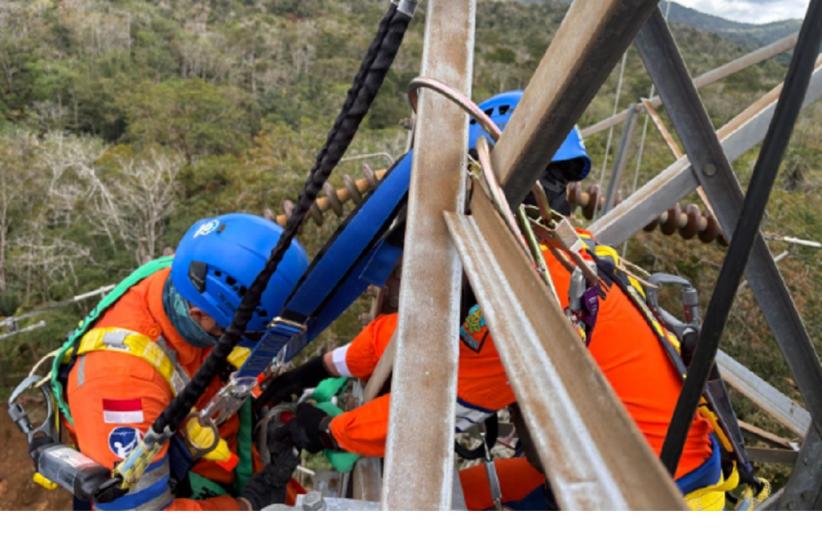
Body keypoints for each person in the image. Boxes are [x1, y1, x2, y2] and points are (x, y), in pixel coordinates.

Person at [263, 90, 722, 510]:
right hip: (634, 457)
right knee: (474, 491)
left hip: (650, 494)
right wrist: (323, 366)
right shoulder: (565, 252)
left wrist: (327, 431)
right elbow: (416, 327)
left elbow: (430, 419)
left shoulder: (528, 290)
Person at [60, 212, 309, 510]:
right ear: (199, 315)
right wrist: (245, 506)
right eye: (245, 335)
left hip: (214, 456)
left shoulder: (189, 279)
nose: (247, 342)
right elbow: (140, 520)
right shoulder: (121, 382)